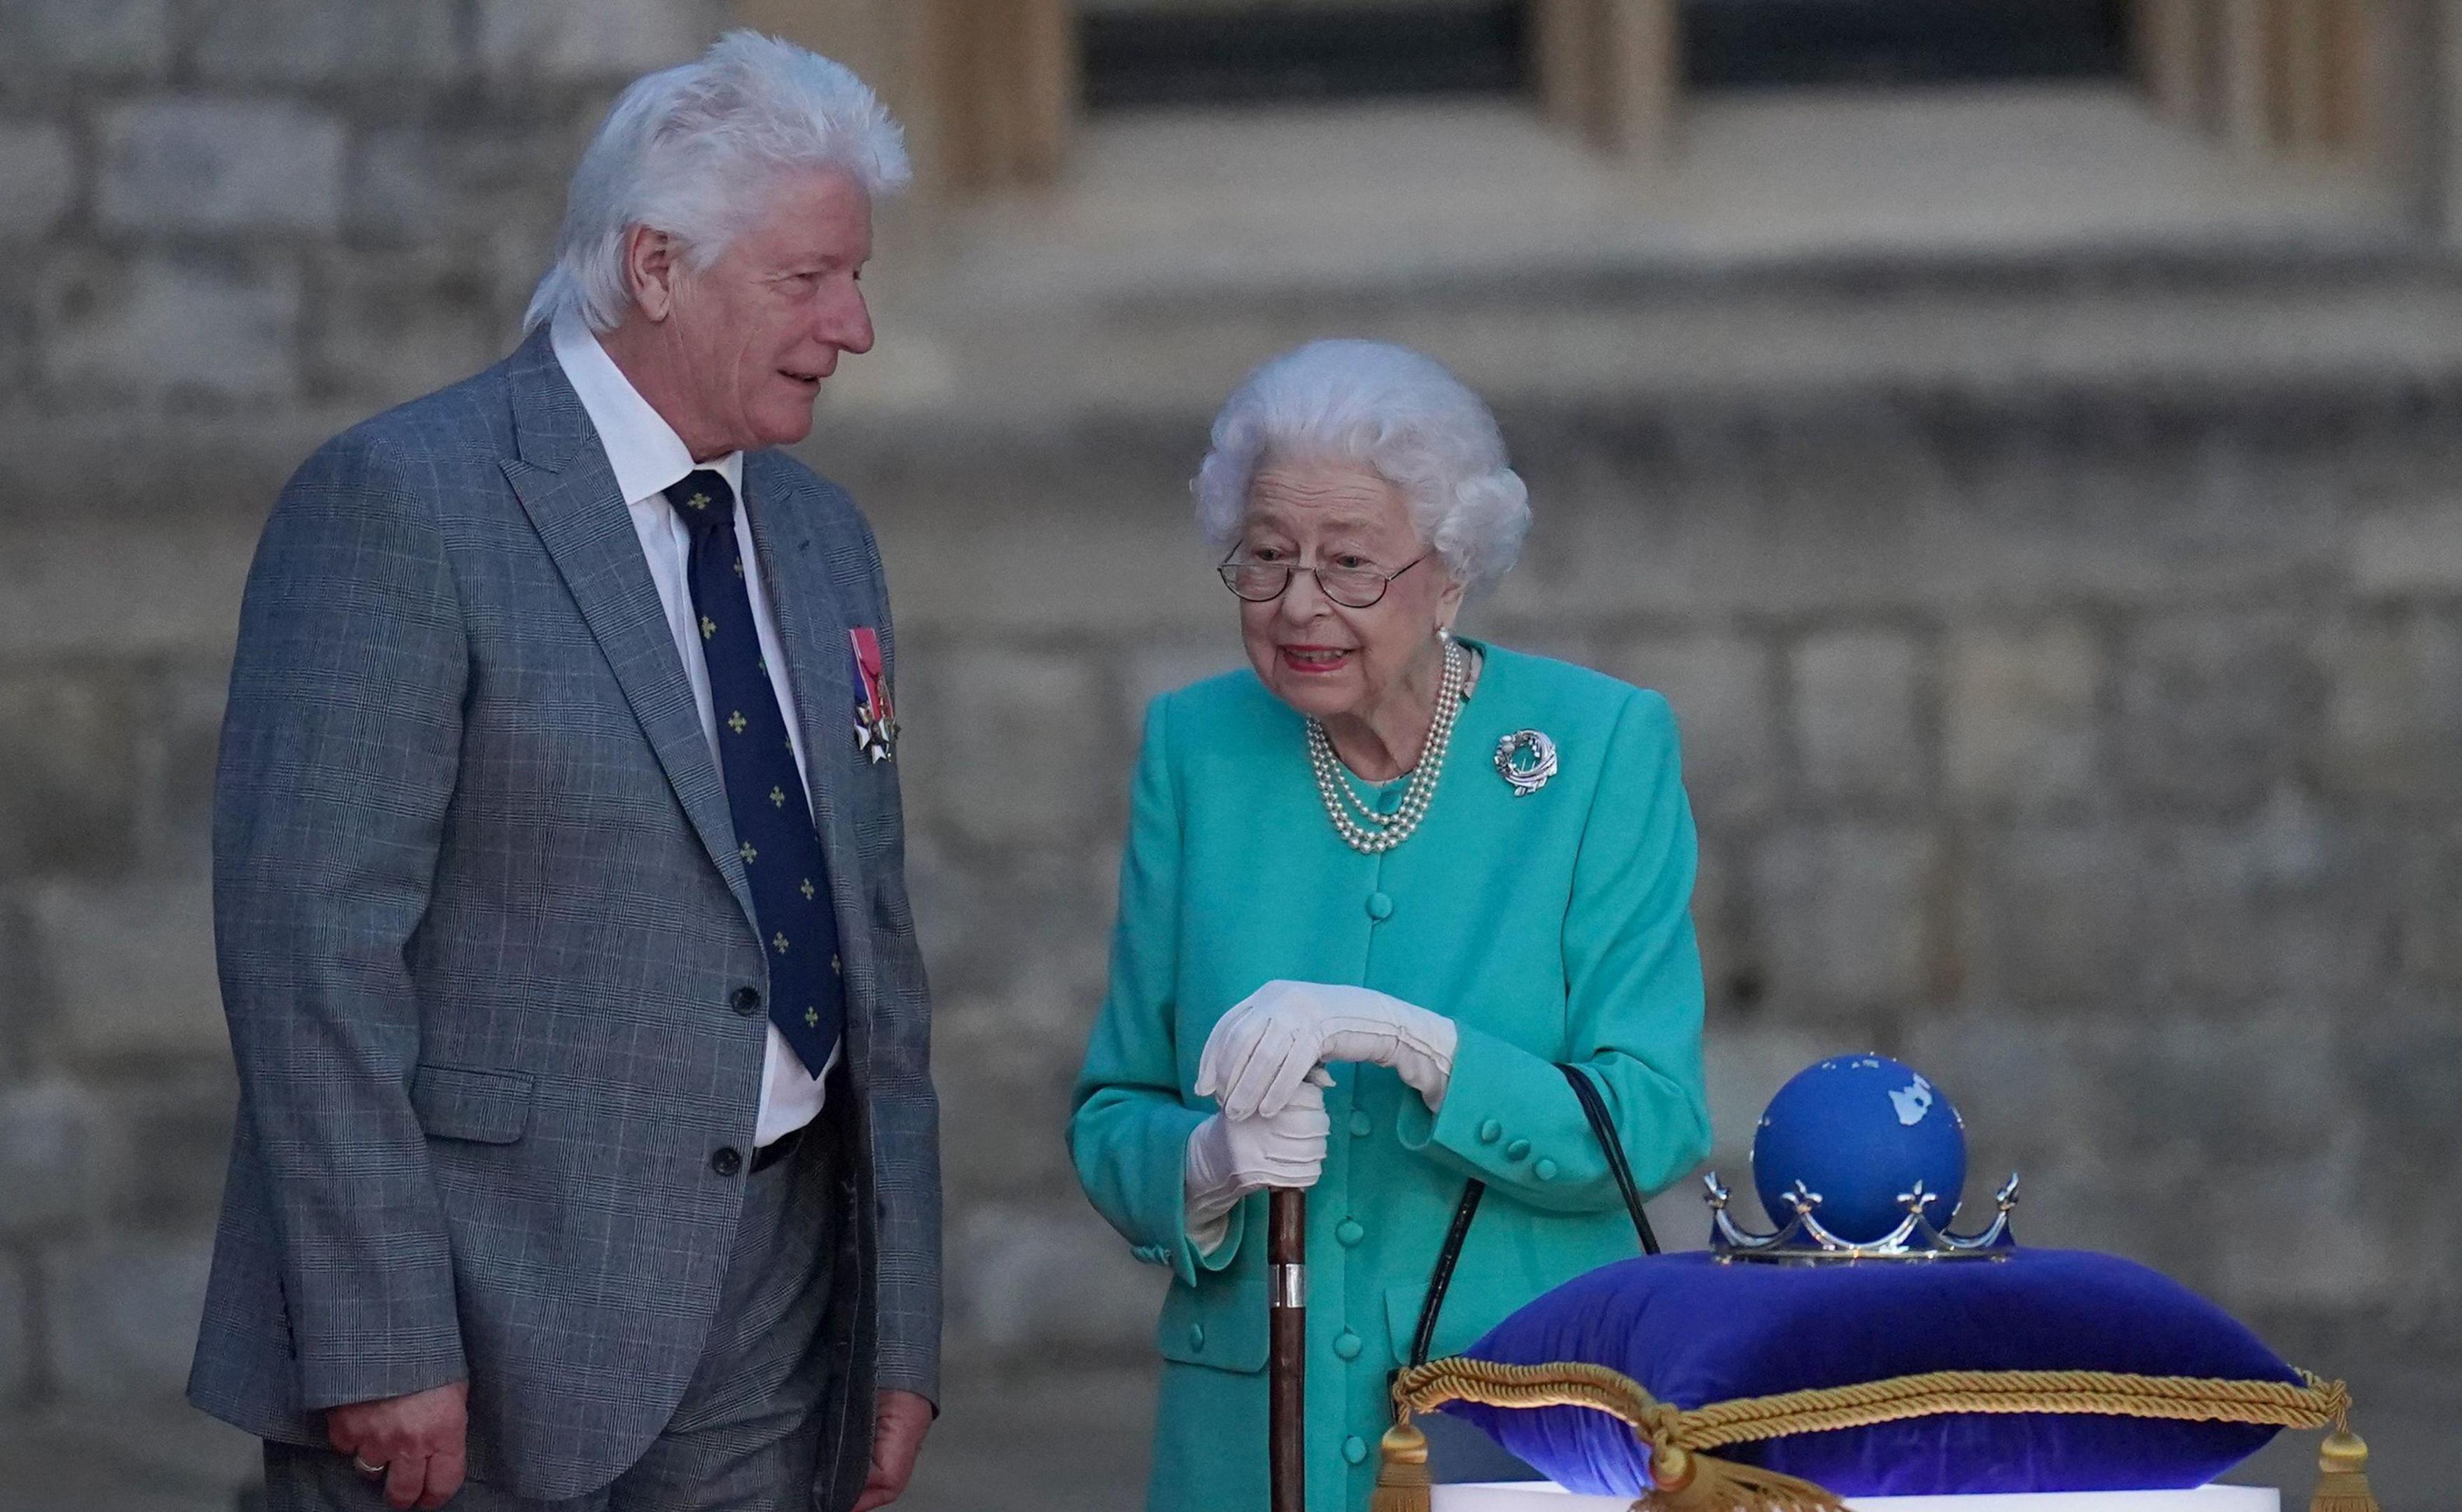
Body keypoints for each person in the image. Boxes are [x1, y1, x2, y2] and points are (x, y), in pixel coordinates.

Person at [188, 33, 939, 1512]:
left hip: (773, 1308)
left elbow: (877, 952)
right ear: (655, 265)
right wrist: (379, 1333)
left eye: (857, 277)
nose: (852, 324)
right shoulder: (403, 503)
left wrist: (896, 1328)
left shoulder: (824, 533)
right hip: (478, 1322)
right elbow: (309, 953)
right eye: (807, 279)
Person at [1068, 340, 1713, 1511]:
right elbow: (1113, 1109)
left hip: (1517, 1428)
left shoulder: (1599, 749)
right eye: (1266, 559)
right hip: (1251, 1444)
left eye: (1351, 564)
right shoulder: (1197, 753)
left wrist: (1421, 1048)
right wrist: (1203, 1167)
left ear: (1452, 573)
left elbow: (1653, 1118)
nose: (1300, 604)